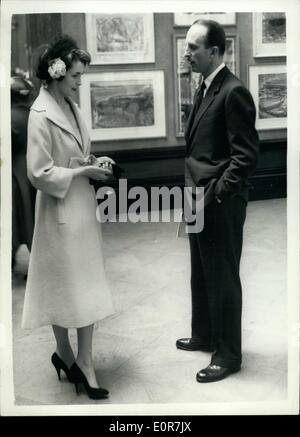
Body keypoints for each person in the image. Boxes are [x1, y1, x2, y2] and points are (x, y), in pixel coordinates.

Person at [22, 35, 116, 400]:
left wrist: (91, 163)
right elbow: (38, 172)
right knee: (64, 288)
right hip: (58, 213)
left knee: (87, 287)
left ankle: (85, 360)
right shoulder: (40, 114)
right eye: (76, 76)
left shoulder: (72, 108)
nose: (79, 82)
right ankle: (65, 354)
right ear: (57, 73)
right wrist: (79, 174)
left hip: (81, 211)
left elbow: (71, 156)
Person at [176, 20, 259, 382]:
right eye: (187, 46)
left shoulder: (233, 91)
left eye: (193, 47)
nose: (187, 52)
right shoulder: (206, 86)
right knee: (200, 270)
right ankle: (205, 334)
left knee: (222, 275)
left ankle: (227, 356)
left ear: (214, 51)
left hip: (218, 201)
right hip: (197, 195)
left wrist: (219, 195)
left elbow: (245, 156)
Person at [11, 73, 36, 272]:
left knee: (14, 219)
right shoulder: (36, 114)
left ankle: (9, 259)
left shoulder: (9, 118)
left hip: (15, 171)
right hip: (34, 169)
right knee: (32, 218)